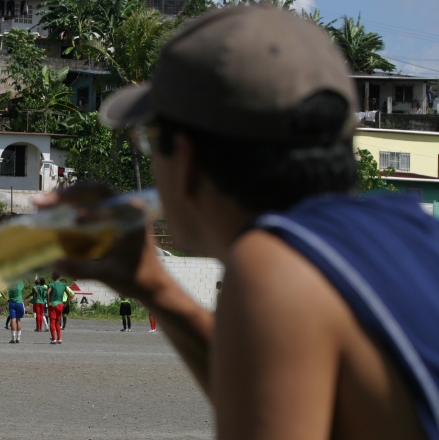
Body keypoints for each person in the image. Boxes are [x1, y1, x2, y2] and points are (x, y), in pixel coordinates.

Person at [37, 6, 439, 439]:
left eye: (152, 143)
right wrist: (153, 286)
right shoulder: (407, 229)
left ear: (186, 160)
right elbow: (272, 390)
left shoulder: (272, 267)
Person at [47, 273, 67, 344]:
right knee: (57, 322)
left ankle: (53, 339)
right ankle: (59, 339)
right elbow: (70, 294)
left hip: (53, 304)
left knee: (52, 322)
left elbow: (48, 293)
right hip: (60, 304)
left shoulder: (51, 284)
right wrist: (66, 303)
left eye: (52, 275)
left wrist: (48, 301)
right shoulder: (63, 284)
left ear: (54, 276)